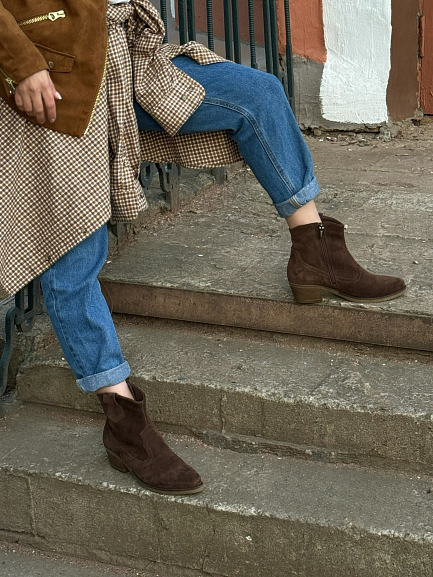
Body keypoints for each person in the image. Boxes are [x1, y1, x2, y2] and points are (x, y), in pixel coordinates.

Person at [0, 0, 406, 495]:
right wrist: (22, 64)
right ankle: (123, 421)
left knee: (256, 94)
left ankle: (315, 252)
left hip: (125, 58)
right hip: (51, 78)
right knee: (72, 250)